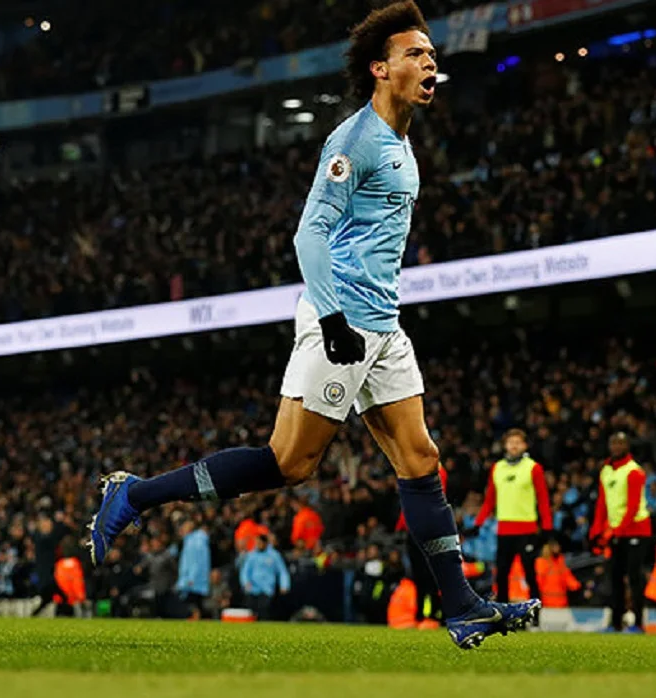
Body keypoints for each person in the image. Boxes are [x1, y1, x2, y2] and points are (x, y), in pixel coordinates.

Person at [86, 0, 538, 650]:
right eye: (415, 53)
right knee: (290, 463)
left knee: (420, 458)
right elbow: (309, 235)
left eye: (431, 53)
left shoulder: (403, 142)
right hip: (343, 316)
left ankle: (463, 606)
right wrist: (330, 317)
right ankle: (135, 495)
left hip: (383, 323)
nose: (429, 62)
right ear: (381, 68)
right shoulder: (355, 140)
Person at [475, 428, 552, 603]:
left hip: (527, 530)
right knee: (501, 575)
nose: (514, 446)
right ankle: (504, 611)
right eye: (511, 442)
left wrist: (547, 527)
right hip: (504, 530)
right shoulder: (497, 468)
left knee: (530, 574)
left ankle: (535, 613)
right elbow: (490, 500)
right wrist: (478, 523)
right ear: (505, 445)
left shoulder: (533, 468)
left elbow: (543, 500)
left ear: (525, 446)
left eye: (518, 442)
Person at [589, 433, 652, 632]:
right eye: (613, 443)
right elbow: (602, 503)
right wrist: (597, 530)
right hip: (616, 531)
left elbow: (632, 507)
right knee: (615, 577)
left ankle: (638, 622)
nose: (616, 447)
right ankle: (616, 623)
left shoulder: (634, 471)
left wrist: (615, 531)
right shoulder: (606, 470)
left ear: (627, 446)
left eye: (620, 443)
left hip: (636, 530)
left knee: (634, 577)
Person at [397, 465, 448, 623]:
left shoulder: (437, 471)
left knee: (430, 573)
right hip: (414, 529)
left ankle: (433, 612)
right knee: (419, 574)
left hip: (428, 527)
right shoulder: (412, 469)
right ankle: (421, 613)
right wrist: (401, 524)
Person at [240, 535, 290, 621]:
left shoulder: (274, 555)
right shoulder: (251, 555)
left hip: (267, 589)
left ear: (265, 543)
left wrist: (284, 585)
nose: (258, 544)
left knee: (264, 610)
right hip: (253, 588)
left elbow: (282, 571)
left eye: (259, 543)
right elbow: (245, 571)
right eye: (257, 543)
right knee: (251, 612)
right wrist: (245, 582)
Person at [176, 518, 211, 620]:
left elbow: (196, 561)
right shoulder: (190, 540)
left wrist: (192, 577)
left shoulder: (196, 541)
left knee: (194, 602)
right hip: (191, 577)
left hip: (193, 579)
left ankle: (198, 619)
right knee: (195, 602)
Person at [535, 539, 581, 608]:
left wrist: (577, 585)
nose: (558, 548)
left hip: (562, 602)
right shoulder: (542, 562)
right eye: (555, 546)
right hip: (548, 602)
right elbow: (539, 581)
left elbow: (568, 577)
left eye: (558, 546)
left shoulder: (561, 561)